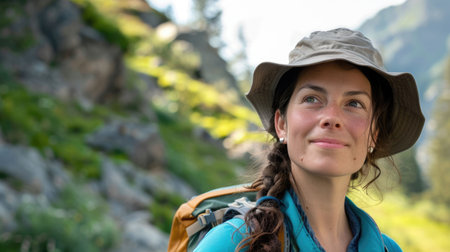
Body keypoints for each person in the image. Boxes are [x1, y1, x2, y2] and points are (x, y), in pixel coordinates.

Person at [194, 28, 425, 252]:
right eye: (312, 98)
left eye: (354, 103)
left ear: (374, 133)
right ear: (281, 124)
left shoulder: (390, 250)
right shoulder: (232, 244)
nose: (332, 118)